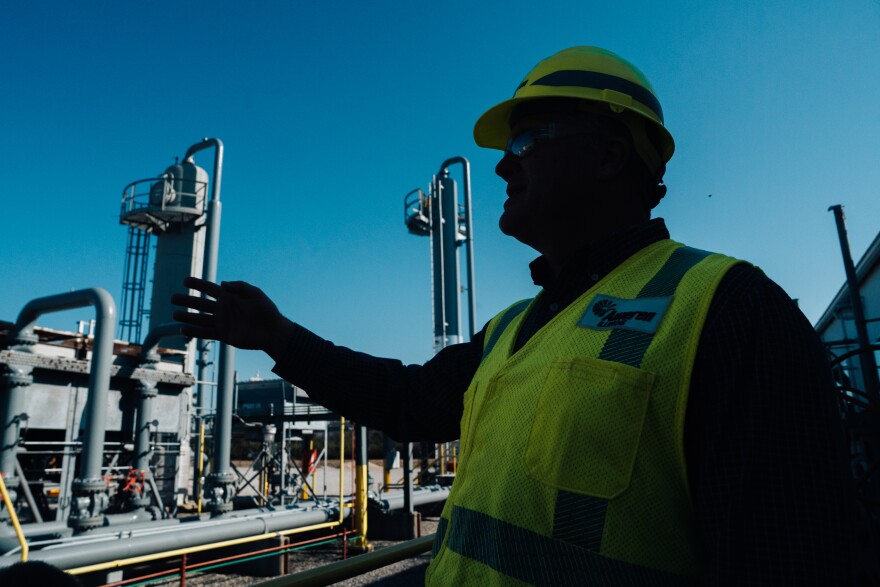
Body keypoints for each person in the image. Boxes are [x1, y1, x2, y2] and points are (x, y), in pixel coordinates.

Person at [173, 47, 852, 585]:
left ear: (612, 154)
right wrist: (280, 339)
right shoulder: (514, 328)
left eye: (529, 141)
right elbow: (408, 400)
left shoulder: (726, 312)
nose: (501, 167)